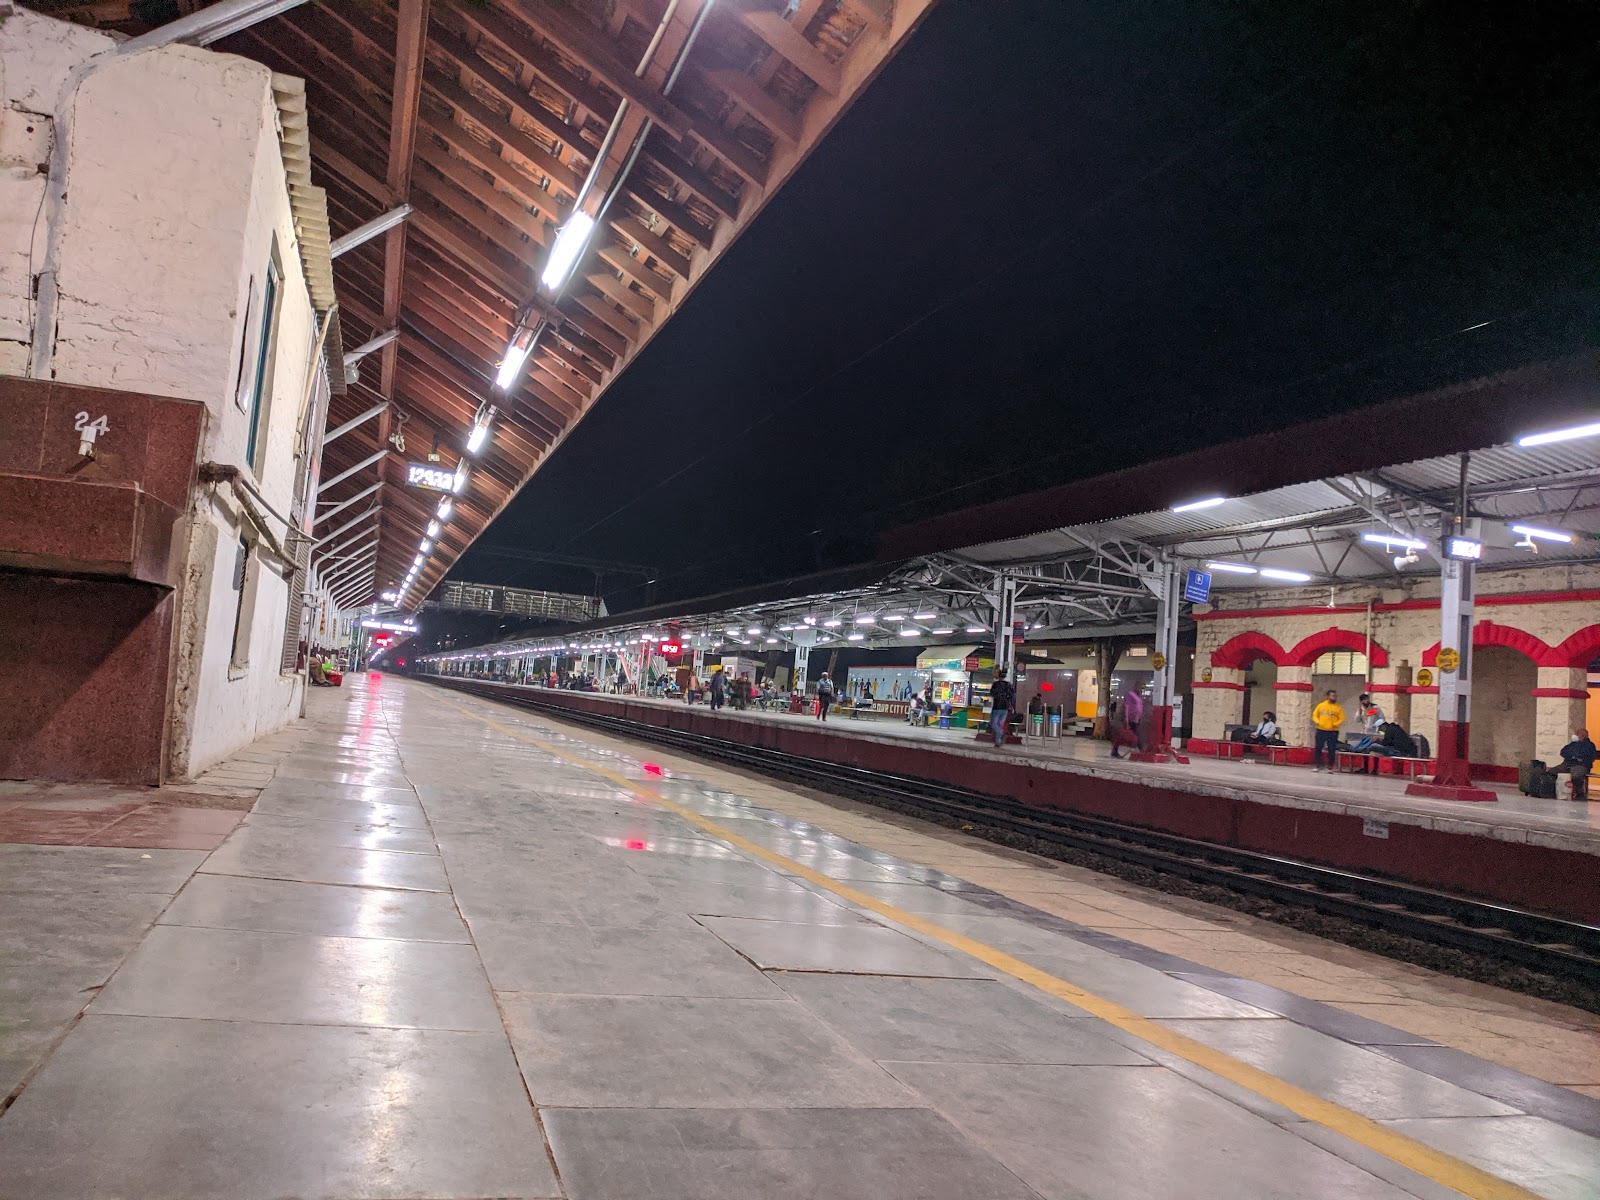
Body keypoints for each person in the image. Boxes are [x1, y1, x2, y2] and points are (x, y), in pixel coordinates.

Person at [1554, 728, 1596, 801]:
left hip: (1581, 765)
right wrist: (1572, 756)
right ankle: (1552, 791)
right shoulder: (1572, 744)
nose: (1575, 735)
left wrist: (1576, 757)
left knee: (1576, 775)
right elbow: (1563, 752)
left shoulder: (1589, 745)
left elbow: (1589, 757)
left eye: (1577, 734)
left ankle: (1579, 792)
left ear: (1582, 735)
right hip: (1567, 764)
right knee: (1553, 772)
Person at [1311, 689, 1345, 772]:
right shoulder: (1321, 706)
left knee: (1331, 749)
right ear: (1327, 696)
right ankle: (1318, 765)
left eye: (1335, 696)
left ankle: (1330, 766)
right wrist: (1318, 722)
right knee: (1318, 747)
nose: (1334, 698)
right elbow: (1314, 715)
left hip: (1333, 731)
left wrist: (1335, 724)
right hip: (1321, 730)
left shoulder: (1338, 707)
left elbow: (1342, 718)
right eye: (1332, 696)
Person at [1111, 686, 1143, 758]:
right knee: (1125, 735)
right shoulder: (1130, 695)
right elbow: (1127, 707)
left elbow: (1139, 707)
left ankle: (1140, 749)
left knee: (1135, 735)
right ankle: (1141, 750)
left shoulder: (1138, 696)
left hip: (1135, 719)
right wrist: (1126, 720)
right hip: (1130, 719)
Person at [989, 669, 1016, 748]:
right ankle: (998, 741)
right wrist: (1012, 706)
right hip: (1005, 708)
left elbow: (992, 693)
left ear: (999, 676)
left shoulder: (996, 684)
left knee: (993, 724)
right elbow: (1012, 696)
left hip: (997, 707)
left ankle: (1000, 733)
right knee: (1000, 724)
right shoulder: (1009, 685)